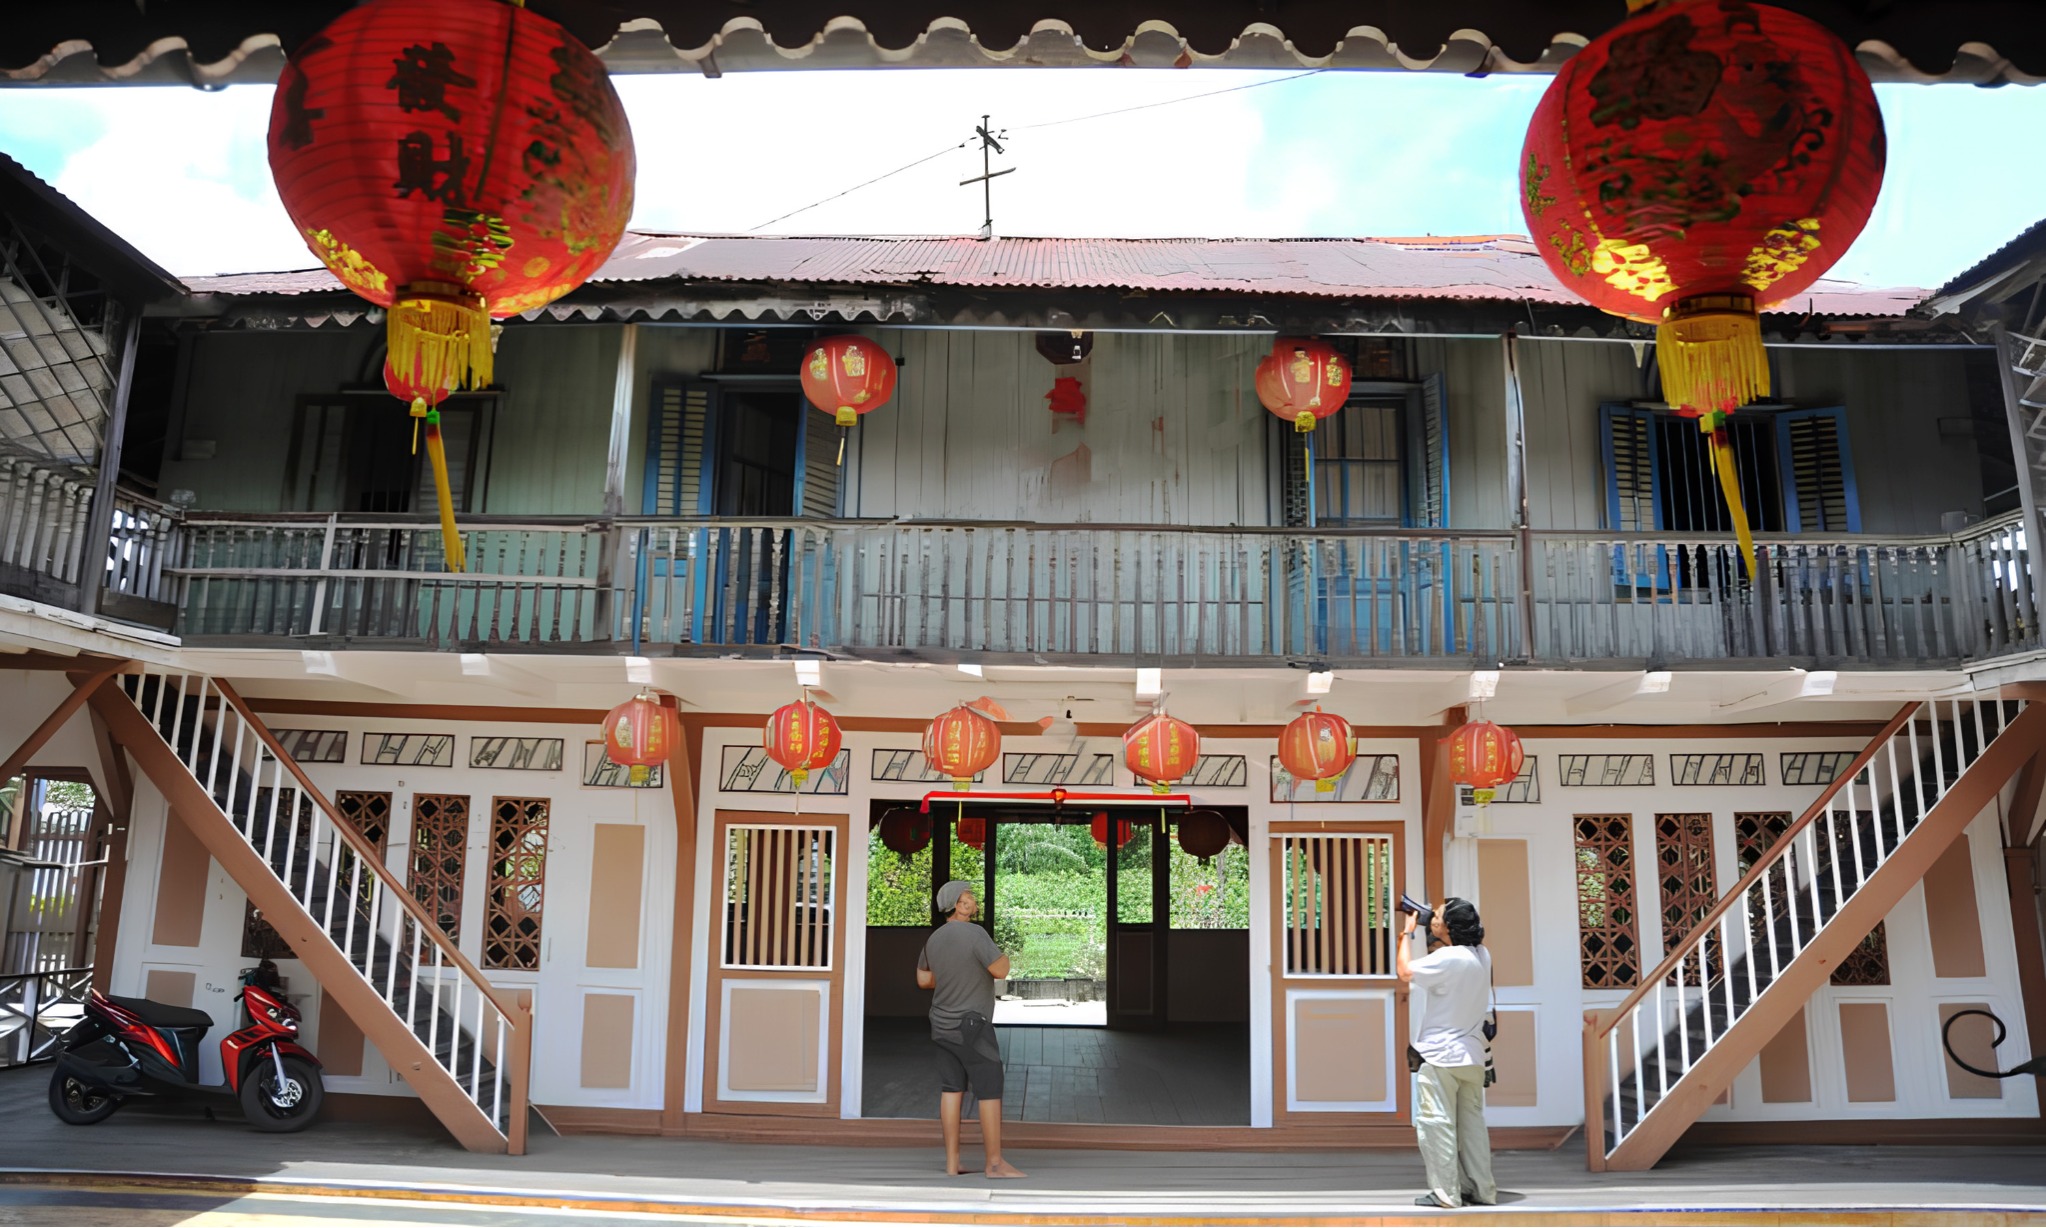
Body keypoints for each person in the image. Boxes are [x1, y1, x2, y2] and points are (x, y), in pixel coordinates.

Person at [916, 880, 1025, 1179]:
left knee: (952, 1088)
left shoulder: (934, 939)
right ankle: (994, 1163)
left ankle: (952, 1164)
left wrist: (953, 975)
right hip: (972, 1026)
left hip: (941, 1024)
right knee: (990, 1089)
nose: (974, 900)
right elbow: (1001, 970)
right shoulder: (975, 934)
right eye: (970, 896)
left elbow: (924, 981)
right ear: (960, 904)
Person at [1397, 897, 1496, 1209]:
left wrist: (1406, 933)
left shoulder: (1449, 958)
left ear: (1449, 926)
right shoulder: (1482, 954)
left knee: (1436, 1124)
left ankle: (1446, 1194)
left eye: (1437, 915)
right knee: (1472, 1127)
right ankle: (1482, 1190)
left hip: (1441, 1056)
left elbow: (1405, 972)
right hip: (1472, 1056)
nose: (1433, 919)